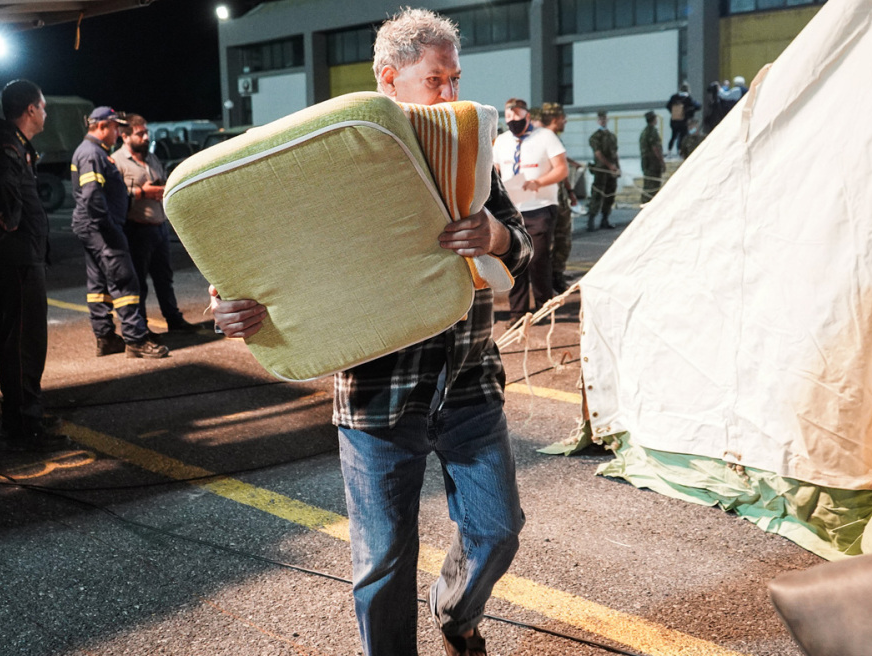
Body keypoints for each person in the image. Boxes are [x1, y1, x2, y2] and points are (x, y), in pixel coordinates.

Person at [211, 9, 532, 656]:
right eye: (436, 79)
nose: (451, 93)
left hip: (471, 382)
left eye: (455, 77)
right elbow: (268, 249)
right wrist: (233, 304)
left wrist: (497, 236)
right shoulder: (336, 159)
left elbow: (519, 247)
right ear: (390, 79)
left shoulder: (469, 151)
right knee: (383, 562)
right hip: (376, 398)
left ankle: (456, 611)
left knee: (498, 530)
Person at [0, 79, 69, 452]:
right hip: (14, 257)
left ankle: (24, 416)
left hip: (17, 255)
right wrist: (12, 221)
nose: (45, 113)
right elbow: (7, 206)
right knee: (22, 343)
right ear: (30, 109)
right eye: (43, 107)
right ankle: (24, 424)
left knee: (23, 340)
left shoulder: (8, 141)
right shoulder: (4, 145)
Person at [71, 107, 169, 359]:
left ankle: (105, 338)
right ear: (103, 126)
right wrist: (110, 227)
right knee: (125, 280)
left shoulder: (92, 152)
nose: (118, 133)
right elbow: (93, 195)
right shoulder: (92, 154)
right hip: (102, 229)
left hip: (92, 228)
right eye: (116, 127)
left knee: (98, 284)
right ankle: (136, 340)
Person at [112, 114, 201, 335]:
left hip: (159, 227)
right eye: (139, 133)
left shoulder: (152, 158)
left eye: (146, 132)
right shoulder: (116, 161)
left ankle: (173, 319)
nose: (145, 137)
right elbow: (115, 195)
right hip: (137, 229)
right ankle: (140, 326)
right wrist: (142, 193)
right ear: (125, 136)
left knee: (164, 278)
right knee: (138, 283)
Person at [493, 97, 568, 324]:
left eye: (517, 115)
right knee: (515, 259)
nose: (512, 120)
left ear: (527, 115)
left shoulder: (545, 137)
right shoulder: (502, 141)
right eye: (508, 116)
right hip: (511, 208)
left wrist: (539, 182)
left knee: (538, 259)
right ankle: (518, 315)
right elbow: (496, 170)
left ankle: (544, 308)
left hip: (540, 206)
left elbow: (562, 169)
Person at [539, 102, 577, 294]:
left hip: (560, 197)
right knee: (548, 241)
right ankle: (547, 279)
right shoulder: (540, 140)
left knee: (563, 239)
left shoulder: (554, 139)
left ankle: (556, 275)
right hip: (547, 199)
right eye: (563, 118)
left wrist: (570, 192)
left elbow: (563, 170)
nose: (565, 121)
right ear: (555, 120)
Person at [586, 110, 619, 231]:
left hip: (611, 170)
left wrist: (617, 167)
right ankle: (591, 220)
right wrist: (610, 166)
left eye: (604, 119)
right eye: (601, 119)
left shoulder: (611, 136)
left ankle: (605, 219)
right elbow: (598, 154)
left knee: (610, 195)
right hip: (601, 170)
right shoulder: (595, 137)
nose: (603, 121)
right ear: (598, 121)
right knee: (597, 195)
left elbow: (615, 154)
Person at [665, 82, 701, 156]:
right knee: (682, 136)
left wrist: (674, 112)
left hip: (674, 120)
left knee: (673, 136)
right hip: (683, 121)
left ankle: (669, 151)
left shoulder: (674, 97)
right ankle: (680, 151)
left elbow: (667, 106)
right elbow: (698, 106)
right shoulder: (688, 98)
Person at [639, 111, 665, 204]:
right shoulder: (652, 131)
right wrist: (661, 161)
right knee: (653, 186)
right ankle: (649, 204)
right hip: (653, 164)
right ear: (654, 119)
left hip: (646, 163)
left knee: (648, 185)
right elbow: (655, 148)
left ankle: (645, 203)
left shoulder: (644, 132)